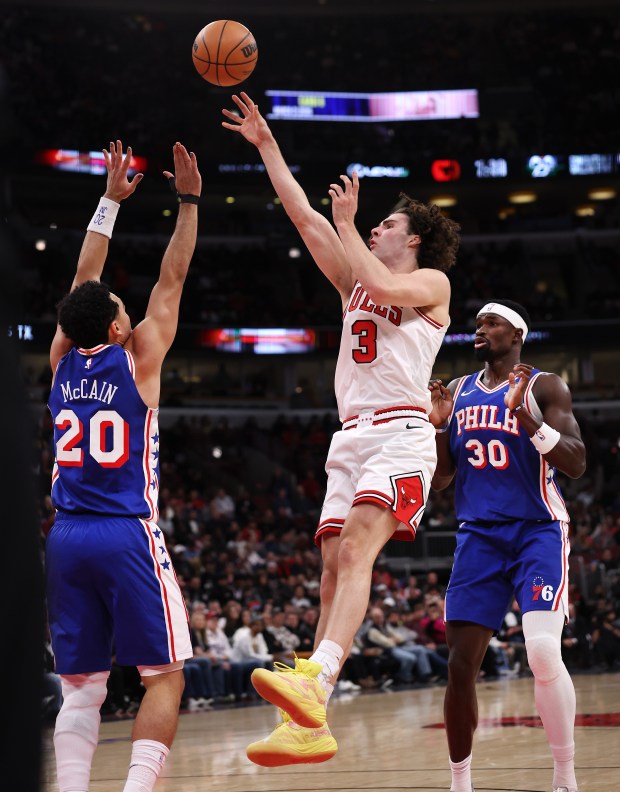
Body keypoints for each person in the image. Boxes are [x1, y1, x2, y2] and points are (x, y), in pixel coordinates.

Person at [222, 91, 460, 766]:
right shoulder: (352, 280)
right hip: (348, 436)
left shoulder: (433, 285)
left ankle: (316, 676)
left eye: (384, 225)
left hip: (402, 433)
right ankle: (310, 723)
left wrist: (350, 226)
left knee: (357, 550)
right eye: (371, 226)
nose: (372, 229)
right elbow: (302, 214)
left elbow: (385, 291)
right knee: (331, 571)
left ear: (408, 239)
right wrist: (267, 144)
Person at [45, 139, 201, 792]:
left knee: (81, 688)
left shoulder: (57, 361)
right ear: (114, 330)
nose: (127, 312)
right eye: (120, 312)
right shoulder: (137, 359)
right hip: (125, 531)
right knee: (164, 676)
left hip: (65, 538)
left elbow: (83, 282)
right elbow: (173, 277)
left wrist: (108, 202)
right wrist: (188, 202)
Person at [428, 299, 586, 792]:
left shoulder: (545, 385)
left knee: (540, 651)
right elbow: (442, 481)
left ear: (516, 334)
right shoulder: (458, 390)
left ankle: (564, 776)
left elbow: (577, 462)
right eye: (477, 323)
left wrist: (526, 419)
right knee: (459, 666)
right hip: (478, 536)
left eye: (491, 323)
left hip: (537, 528)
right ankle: (460, 783)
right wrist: (436, 427)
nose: (481, 329)